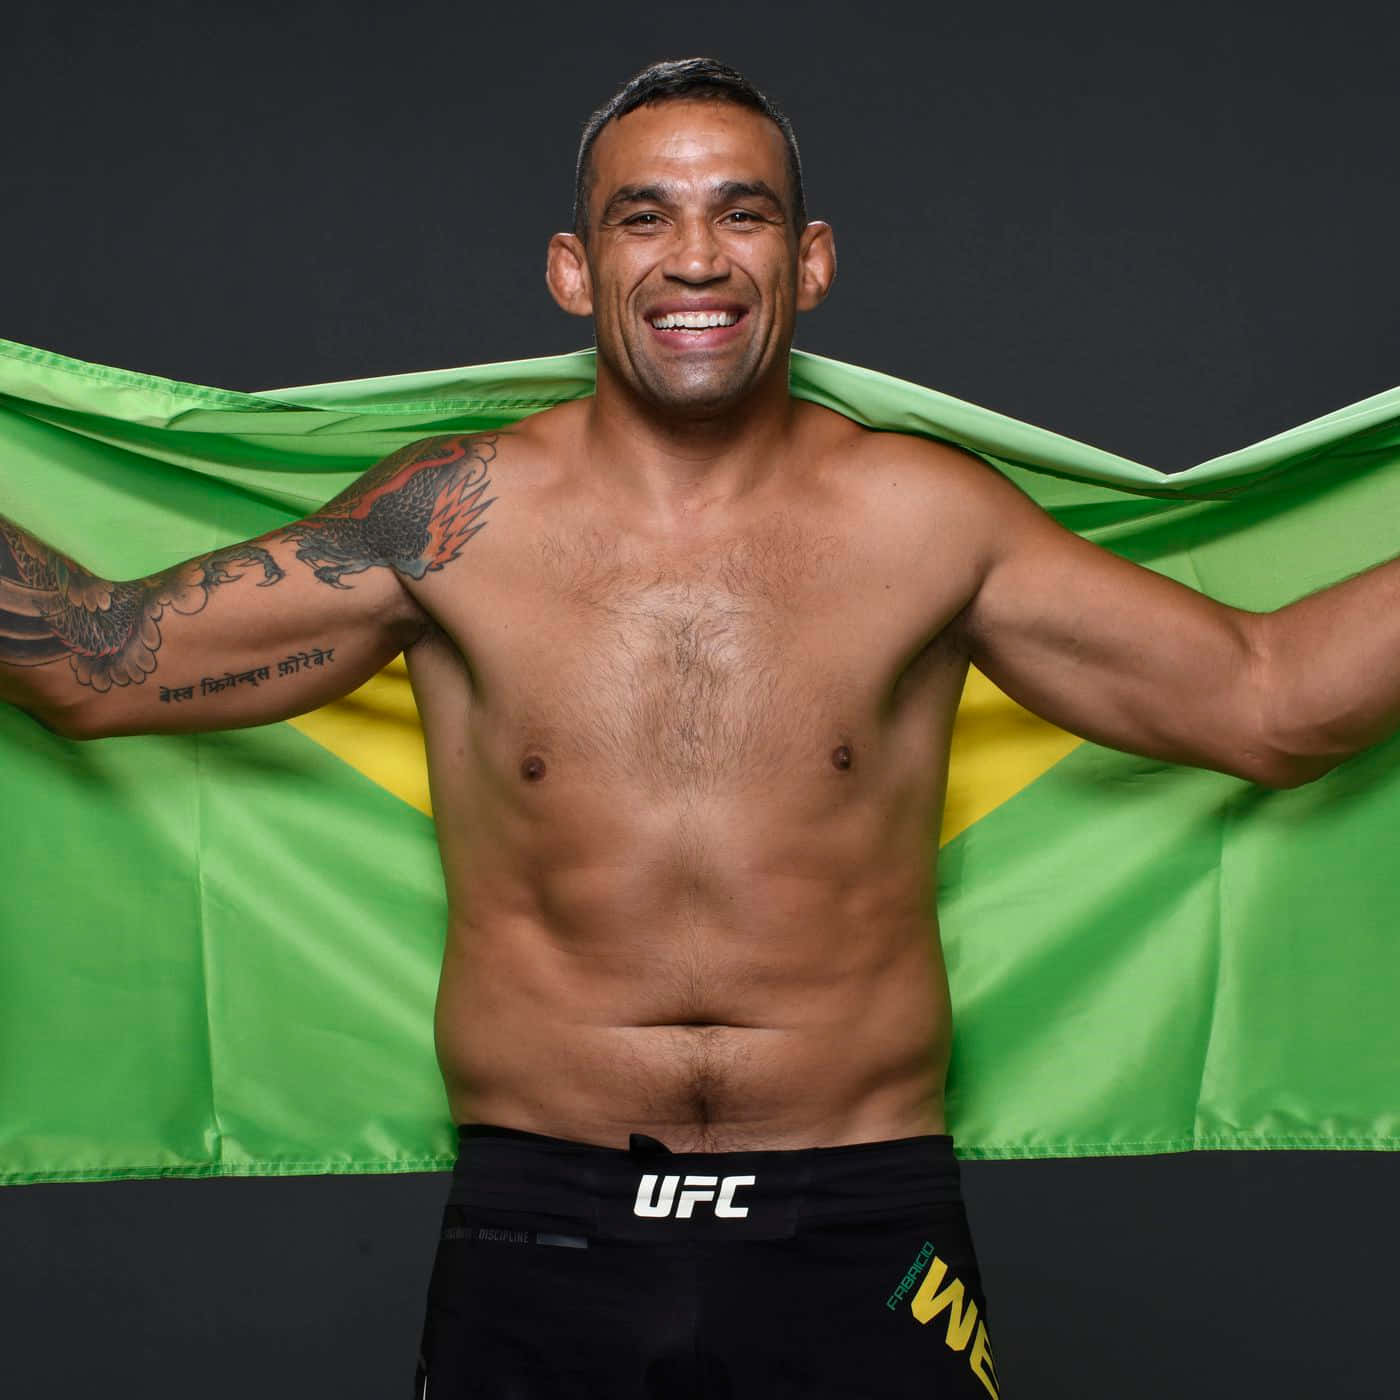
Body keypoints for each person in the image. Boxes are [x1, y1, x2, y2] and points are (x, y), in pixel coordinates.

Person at [1, 56, 1396, 1399]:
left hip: (864, 1232)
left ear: (810, 262)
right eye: (644, 215)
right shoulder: (451, 525)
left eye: (744, 211)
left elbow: (1267, 699)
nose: (696, 257)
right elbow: (97, 662)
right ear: (573, 267)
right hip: (543, 1233)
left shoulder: (923, 521)